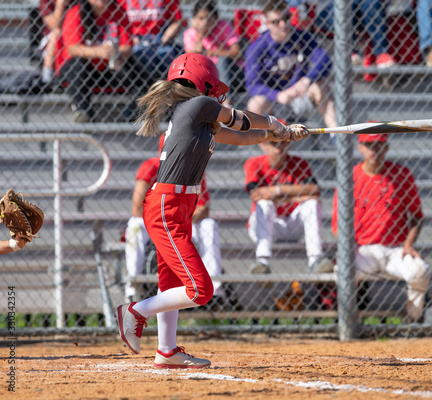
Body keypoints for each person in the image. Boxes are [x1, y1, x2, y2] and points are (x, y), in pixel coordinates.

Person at [116, 53, 309, 369]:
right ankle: (136, 311)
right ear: (200, 82)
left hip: (179, 206)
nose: (218, 93)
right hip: (167, 205)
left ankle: (166, 351)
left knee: (171, 284)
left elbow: (242, 136)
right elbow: (242, 120)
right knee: (199, 289)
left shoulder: (200, 118)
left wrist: (278, 135)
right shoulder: (197, 106)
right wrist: (275, 123)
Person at [331, 133, 430, 322]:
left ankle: (411, 320)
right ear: (360, 148)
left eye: (379, 145)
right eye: (369, 145)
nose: (374, 150)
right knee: (342, 272)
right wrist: (348, 247)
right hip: (362, 249)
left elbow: (416, 216)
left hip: (396, 249)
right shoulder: (349, 177)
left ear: (387, 148)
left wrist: (409, 245)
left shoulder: (401, 174)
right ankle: (351, 323)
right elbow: (337, 224)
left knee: (420, 270)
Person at [124, 136, 225, 306]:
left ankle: (216, 290)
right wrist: (168, 218)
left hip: (181, 222)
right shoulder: (151, 166)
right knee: (135, 225)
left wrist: (176, 218)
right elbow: (137, 209)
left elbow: (204, 209)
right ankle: (133, 289)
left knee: (209, 225)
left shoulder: (193, 170)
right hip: (154, 223)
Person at [244, 139, 333, 274]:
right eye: (274, 142)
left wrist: (277, 191)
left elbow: (314, 190)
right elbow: (257, 195)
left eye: (283, 142)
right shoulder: (254, 163)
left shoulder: (299, 163)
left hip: (292, 224)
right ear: (263, 145)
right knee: (264, 204)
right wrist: (298, 196)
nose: (279, 147)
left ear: (290, 143)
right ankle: (262, 261)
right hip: (265, 225)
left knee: (312, 203)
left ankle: (315, 260)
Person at [244, 0, 337, 131]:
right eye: (276, 21)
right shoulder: (257, 47)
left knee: (321, 86)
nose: (284, 24)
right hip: (275, 102)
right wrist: (277, 95)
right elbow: (252, 84)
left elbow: (324, 60)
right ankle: (268, 145)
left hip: (301, 94)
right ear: (267, 24)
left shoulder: (301, 36)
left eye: (287, 18)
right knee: (255, 104)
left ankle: (336, 135)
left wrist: (306, 80)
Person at [55, 0, 153, 122]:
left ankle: (136, 112)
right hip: (83, 70)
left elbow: (127, 46)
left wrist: (116, 53)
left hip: (109, 67)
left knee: (134, 66)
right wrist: (100, 52)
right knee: (77, 65)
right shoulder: (76, 12)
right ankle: (83, 112)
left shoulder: (118, 11)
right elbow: (73, 49)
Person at [183, 0, 245, 105]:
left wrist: (214, 52)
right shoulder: (190, 33)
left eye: (209, 18)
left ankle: (226, 103)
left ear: (216, 18)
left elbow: (237, 53)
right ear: (194, 19)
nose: (205, 22)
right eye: (200, 18)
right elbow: (192, 57)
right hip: (208, 75)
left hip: (232, 72)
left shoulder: (223, 26)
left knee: (222, 61)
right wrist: (199, 35)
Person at [116, 0, 184, 77]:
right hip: (136, 40)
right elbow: (116, 20)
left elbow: (176, 21)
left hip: (160, 38)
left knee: (168, 53)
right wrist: (130, 38)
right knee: (141, 53)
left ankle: (169, 82)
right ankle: (149, 82)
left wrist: (166, 38)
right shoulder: (121, 1)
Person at [39, 0, 69, 87]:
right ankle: (47, 79)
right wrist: (60, 4)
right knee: (56, 33)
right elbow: (54, 25)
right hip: (51, 37)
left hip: (74, 32)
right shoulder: (46, 1)